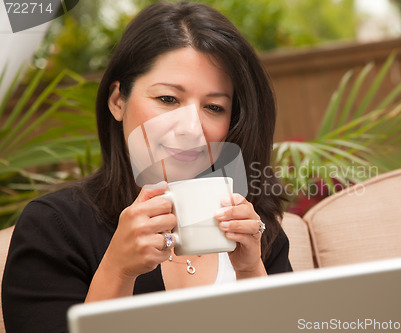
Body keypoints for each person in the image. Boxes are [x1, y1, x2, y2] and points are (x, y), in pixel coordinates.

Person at [1, 1, 292, 332]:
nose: (190, 127)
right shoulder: (54, 227)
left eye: (213, 107)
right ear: (117, 101)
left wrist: (251, 270)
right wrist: (118, 270)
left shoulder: (256, 228)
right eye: (168, 99)